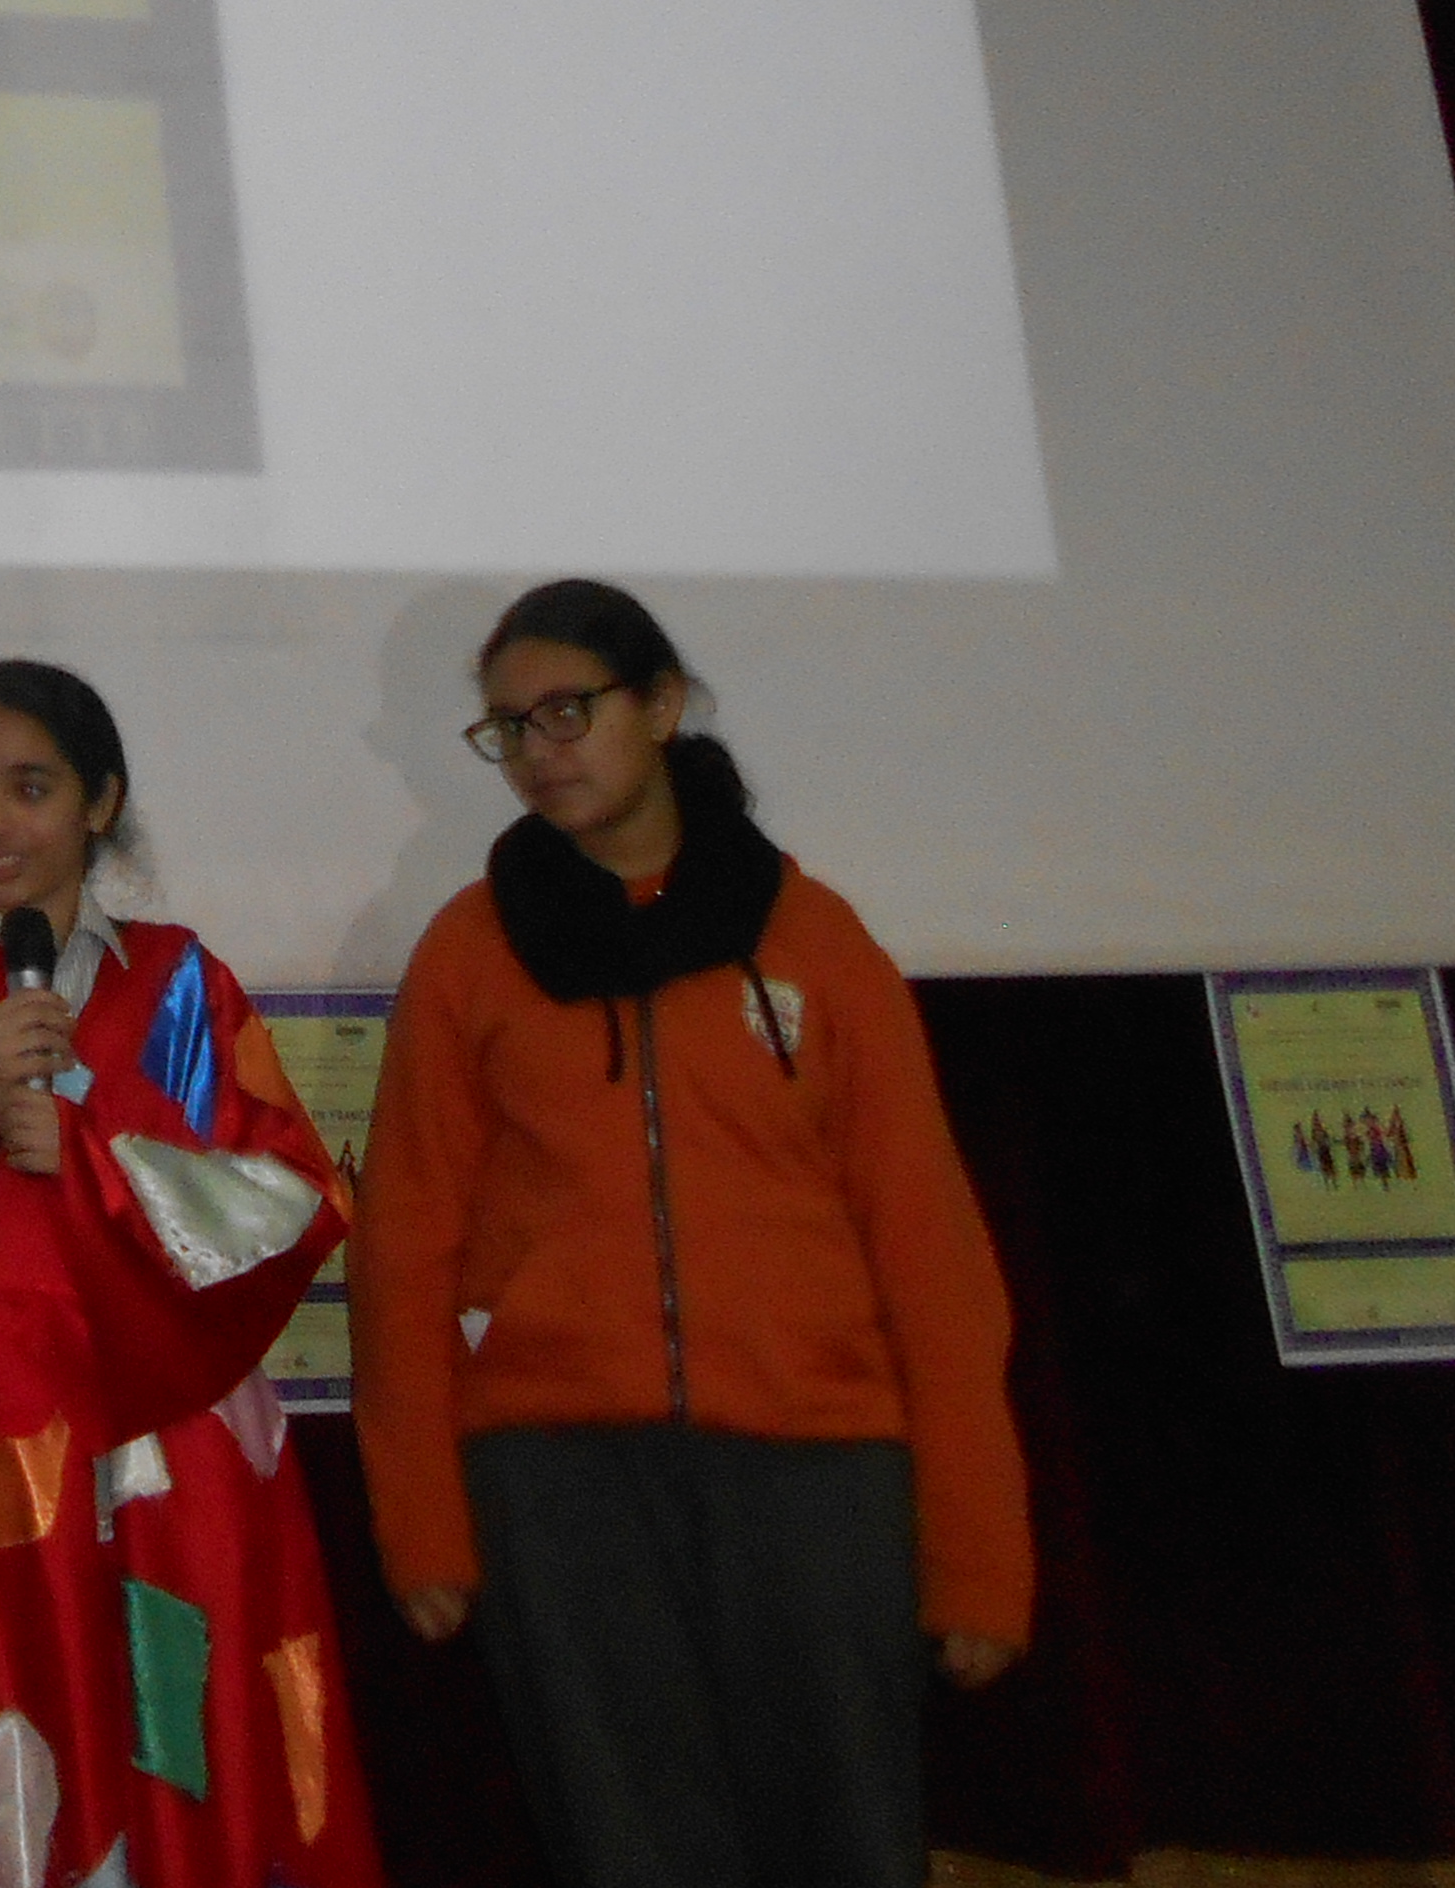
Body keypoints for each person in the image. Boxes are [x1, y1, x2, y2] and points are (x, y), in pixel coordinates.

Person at [353, 579, 1028, 1888]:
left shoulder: (814, 938)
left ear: (662, 706)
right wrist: (421, 1519)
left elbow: (931, 1251)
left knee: (851, 1847)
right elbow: (405, 1247)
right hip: (562, 1486)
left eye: (569, 711)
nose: (540, 751)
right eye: (508, 728)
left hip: (818, 1471)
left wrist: (980, 1555)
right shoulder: (470, 953)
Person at [0, 659, 386, 1888]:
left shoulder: (181, 985)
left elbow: (294, 1202)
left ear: (99, 801)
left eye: (31, 787)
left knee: (198, 1770)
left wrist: (102, 1166)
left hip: (178, 1451)